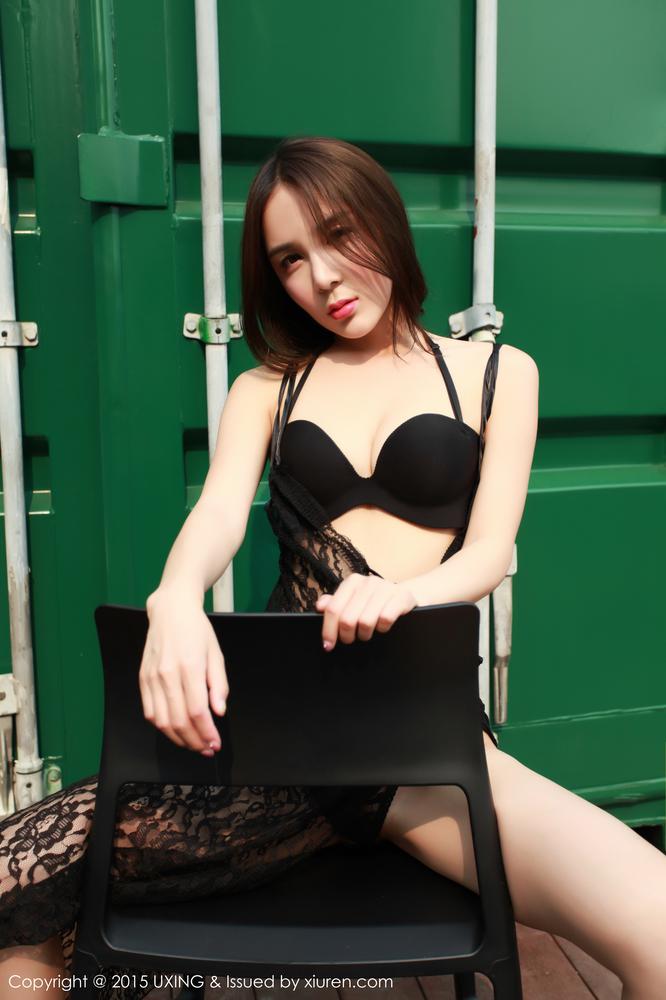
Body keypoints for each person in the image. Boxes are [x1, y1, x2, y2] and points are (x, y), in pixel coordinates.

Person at [0, 135, 665, 1000]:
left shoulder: (498, 373)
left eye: (340, 234)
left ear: (385, 222)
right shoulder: (266, 387)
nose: (321, 277)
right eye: (289, 259)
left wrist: (404, 594)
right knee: (24, 903)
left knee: (659, 929)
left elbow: (490, 552)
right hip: (274, 737)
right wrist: (174, 599)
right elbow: (217, 516)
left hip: (421, 747)